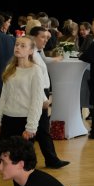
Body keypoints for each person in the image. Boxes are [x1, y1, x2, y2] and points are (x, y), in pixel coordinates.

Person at [28, 26, 70, 169]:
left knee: (41, 129)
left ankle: (49, 160)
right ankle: (45, 160)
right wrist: (44, 98)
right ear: (33, 37)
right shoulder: (31, 55)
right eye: (43, 37)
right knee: (39, 128)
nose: (46, 40)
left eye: (47, 37)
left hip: (42, 93)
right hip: (39, 94)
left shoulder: (37, 53)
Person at [0, 36, 46, 144]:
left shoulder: (35, 70)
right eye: (17, 44)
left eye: (23, 46)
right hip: (7, 118)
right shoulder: (9, 68)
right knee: (6, 152)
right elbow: (3, 96)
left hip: (24, 120)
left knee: (22, 153)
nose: (18, 47)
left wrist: (31, 126)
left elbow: (36, 101)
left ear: (31, 51)